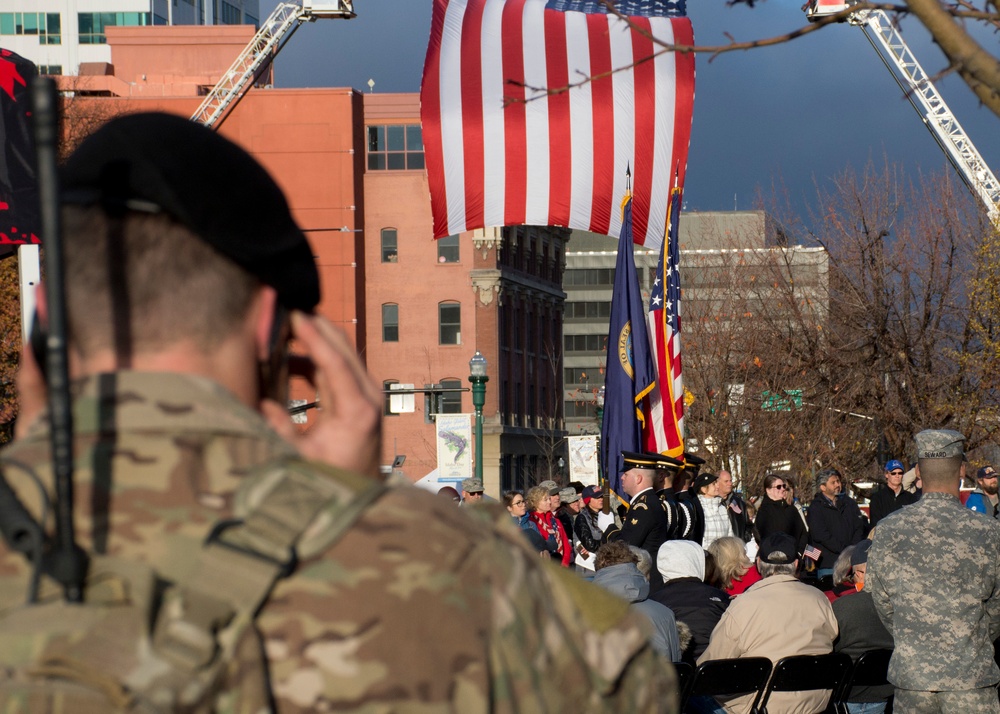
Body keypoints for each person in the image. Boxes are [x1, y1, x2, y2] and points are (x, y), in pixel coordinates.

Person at [0, 113, 675, 711]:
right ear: (277, 334)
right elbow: (629, 680)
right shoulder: (454, 578)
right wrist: (349, 504)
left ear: (45, 324)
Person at [867, 429, 1000, 712]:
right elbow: (997, 607)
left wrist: (913, 636)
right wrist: (972, 639)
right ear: (962, 469)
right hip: (971, 678)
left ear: (918, 472)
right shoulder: (989, 532)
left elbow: (881, 601)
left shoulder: (889, 529)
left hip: (914, 679)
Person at [699, 533, 839, 714]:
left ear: (758, 564)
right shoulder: (819, 598)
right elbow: (833, 634)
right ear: (796, 564)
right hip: (815, 702)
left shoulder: (744, 605)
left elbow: (711, 665)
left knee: (694, 691)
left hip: (761, 705)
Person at [832, 540, 894, 714]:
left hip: (848, 694)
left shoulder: (842, 606)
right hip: (888, 692)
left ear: (859, 573)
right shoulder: (900, 606)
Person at [592, 542, 681, 662]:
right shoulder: (665, 613)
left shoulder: (580, 615)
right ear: (634, 566)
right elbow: (676, 666)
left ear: (598, 570)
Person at [653, 540, 730, 664]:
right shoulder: (721, 598)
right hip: (716, 670)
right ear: (698, 563)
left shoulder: (654, 602)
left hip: (675, 675)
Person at [605, 451, 673, 589]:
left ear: (638, 479)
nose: (622, 478)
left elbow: (625, 546)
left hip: (647, 580)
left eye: (626, 474)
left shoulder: (644, 507)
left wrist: (608, 527)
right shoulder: (646, 503)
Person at [807, 468, 866, 577]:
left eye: (838, 481)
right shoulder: (816, 507)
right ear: (823, 487)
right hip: (829, 563)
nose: (837, 485)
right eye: (833, 482)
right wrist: (844, 549)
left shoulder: (850, 504)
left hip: (852, 561)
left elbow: (859, 527)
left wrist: (852, 549)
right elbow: (820, 534)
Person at [753, 473, 808, 555]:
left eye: (784, 486)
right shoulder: (764, 512)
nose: (783, 489)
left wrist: (799, 552)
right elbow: (760, 536)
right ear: (768, 490)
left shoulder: (792, 510)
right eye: (778, 487)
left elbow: (803, 533)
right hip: (772, 558)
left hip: (793, 557)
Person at [525, 483, 569, 565]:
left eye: (549, 499)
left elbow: (565, 545)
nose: (549, 502)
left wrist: (564, 565)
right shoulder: (531, 521)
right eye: (545, 500)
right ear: (536, 502)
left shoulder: (555, 520)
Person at [868, 459, 918, 529]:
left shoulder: (910, 498)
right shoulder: (877, 498)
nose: (897, 476)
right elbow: (875, 524)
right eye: (893, 473)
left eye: (900, 473)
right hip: (884, 537)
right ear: (887, 475)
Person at [690, 472, 734, 549]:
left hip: (724, 556)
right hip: (706, 556)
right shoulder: (697, 508)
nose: (717, 486)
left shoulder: (722, 507)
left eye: (716, 483)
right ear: (703, 489)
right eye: (714, 484)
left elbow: (729, 533)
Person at [574, 484, 605, 571]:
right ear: (588, 500)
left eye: (601, 496)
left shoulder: (605, 515)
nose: (601, 499)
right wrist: (607, 543)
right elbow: (589, 545)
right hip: (588, 569)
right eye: (597, 497)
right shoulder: (582, 518)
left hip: (603, 565)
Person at [717, 470, 751, 542]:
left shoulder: (739, 503)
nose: (730, 484)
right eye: (726, 481)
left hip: (738, 547)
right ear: (717, 483)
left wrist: (744, 540)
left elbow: (748, 525)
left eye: (730, 481)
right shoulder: (712, 503)